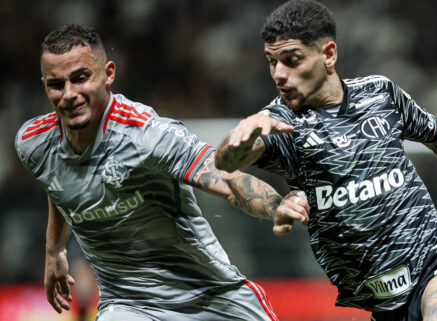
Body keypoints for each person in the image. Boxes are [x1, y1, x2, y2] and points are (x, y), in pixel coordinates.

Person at [214, 1, 437, 320]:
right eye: (272, 62)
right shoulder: (279, 123)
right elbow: (227, 161)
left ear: (328, 55)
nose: (279, 74)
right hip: (383, 302)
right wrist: (242, 134)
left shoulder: (380, 93)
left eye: (291, 60)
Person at [14, 24, 310, 321]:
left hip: (211, 295)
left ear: (109, 74)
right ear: (44, 85)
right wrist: (54, 250)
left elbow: (224, 178)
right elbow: (58, 185)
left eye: (80, 78)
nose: (69, 94)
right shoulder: (33, 144)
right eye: (56, 84)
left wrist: (275, 206)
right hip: (129, 305)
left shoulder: (147, 135)